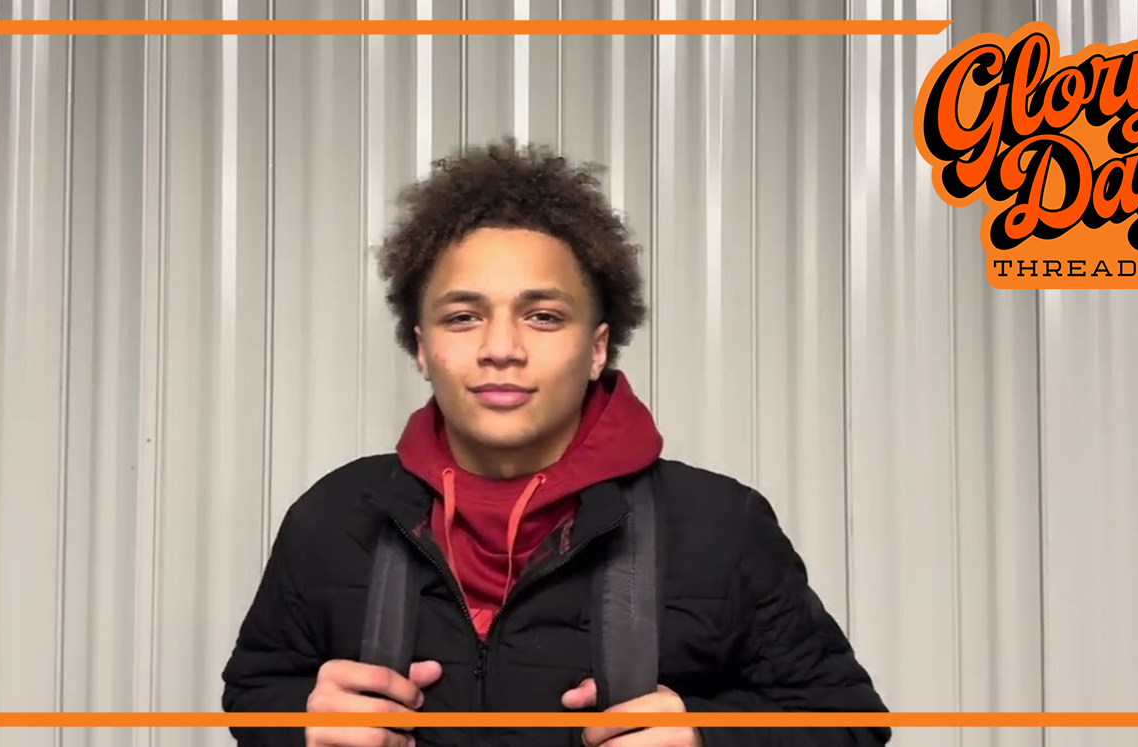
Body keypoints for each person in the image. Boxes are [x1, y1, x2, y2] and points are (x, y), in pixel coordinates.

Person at [221, 138, 891, 747]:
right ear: (422, 349)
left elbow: (850, 721)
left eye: (543, 316)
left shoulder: (722, 525)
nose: (501, 348)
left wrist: (704, 739)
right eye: (463, 316)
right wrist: (300, 727)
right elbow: (256, 689)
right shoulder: (334, 516)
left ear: (597, 348)